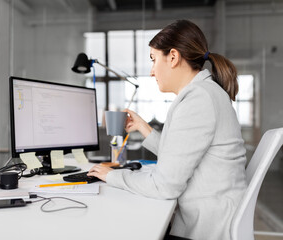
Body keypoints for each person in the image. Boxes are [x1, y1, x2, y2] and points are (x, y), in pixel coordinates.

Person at [87, 19, 247, 240]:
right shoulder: (204, 92)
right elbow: (179, 155)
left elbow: (164, 186)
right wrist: (143, 128)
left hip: (206, 229)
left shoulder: (198, 99)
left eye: (153, 60)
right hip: (211, 217)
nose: (152, 72)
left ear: (173, 57)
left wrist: (112, 176)